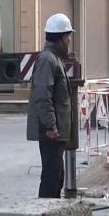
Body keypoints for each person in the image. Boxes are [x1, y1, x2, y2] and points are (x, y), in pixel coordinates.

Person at [29, 12, 74, 198]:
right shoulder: (48, 60)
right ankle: (43, 215)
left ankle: (51, 214)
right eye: (69, 36)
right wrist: (50, 125)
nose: (70, 41)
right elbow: (42, 94)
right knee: (51, 177)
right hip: (51, 132)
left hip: (56, 130)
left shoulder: (54, 59)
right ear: (63, 38)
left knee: (57, 175)